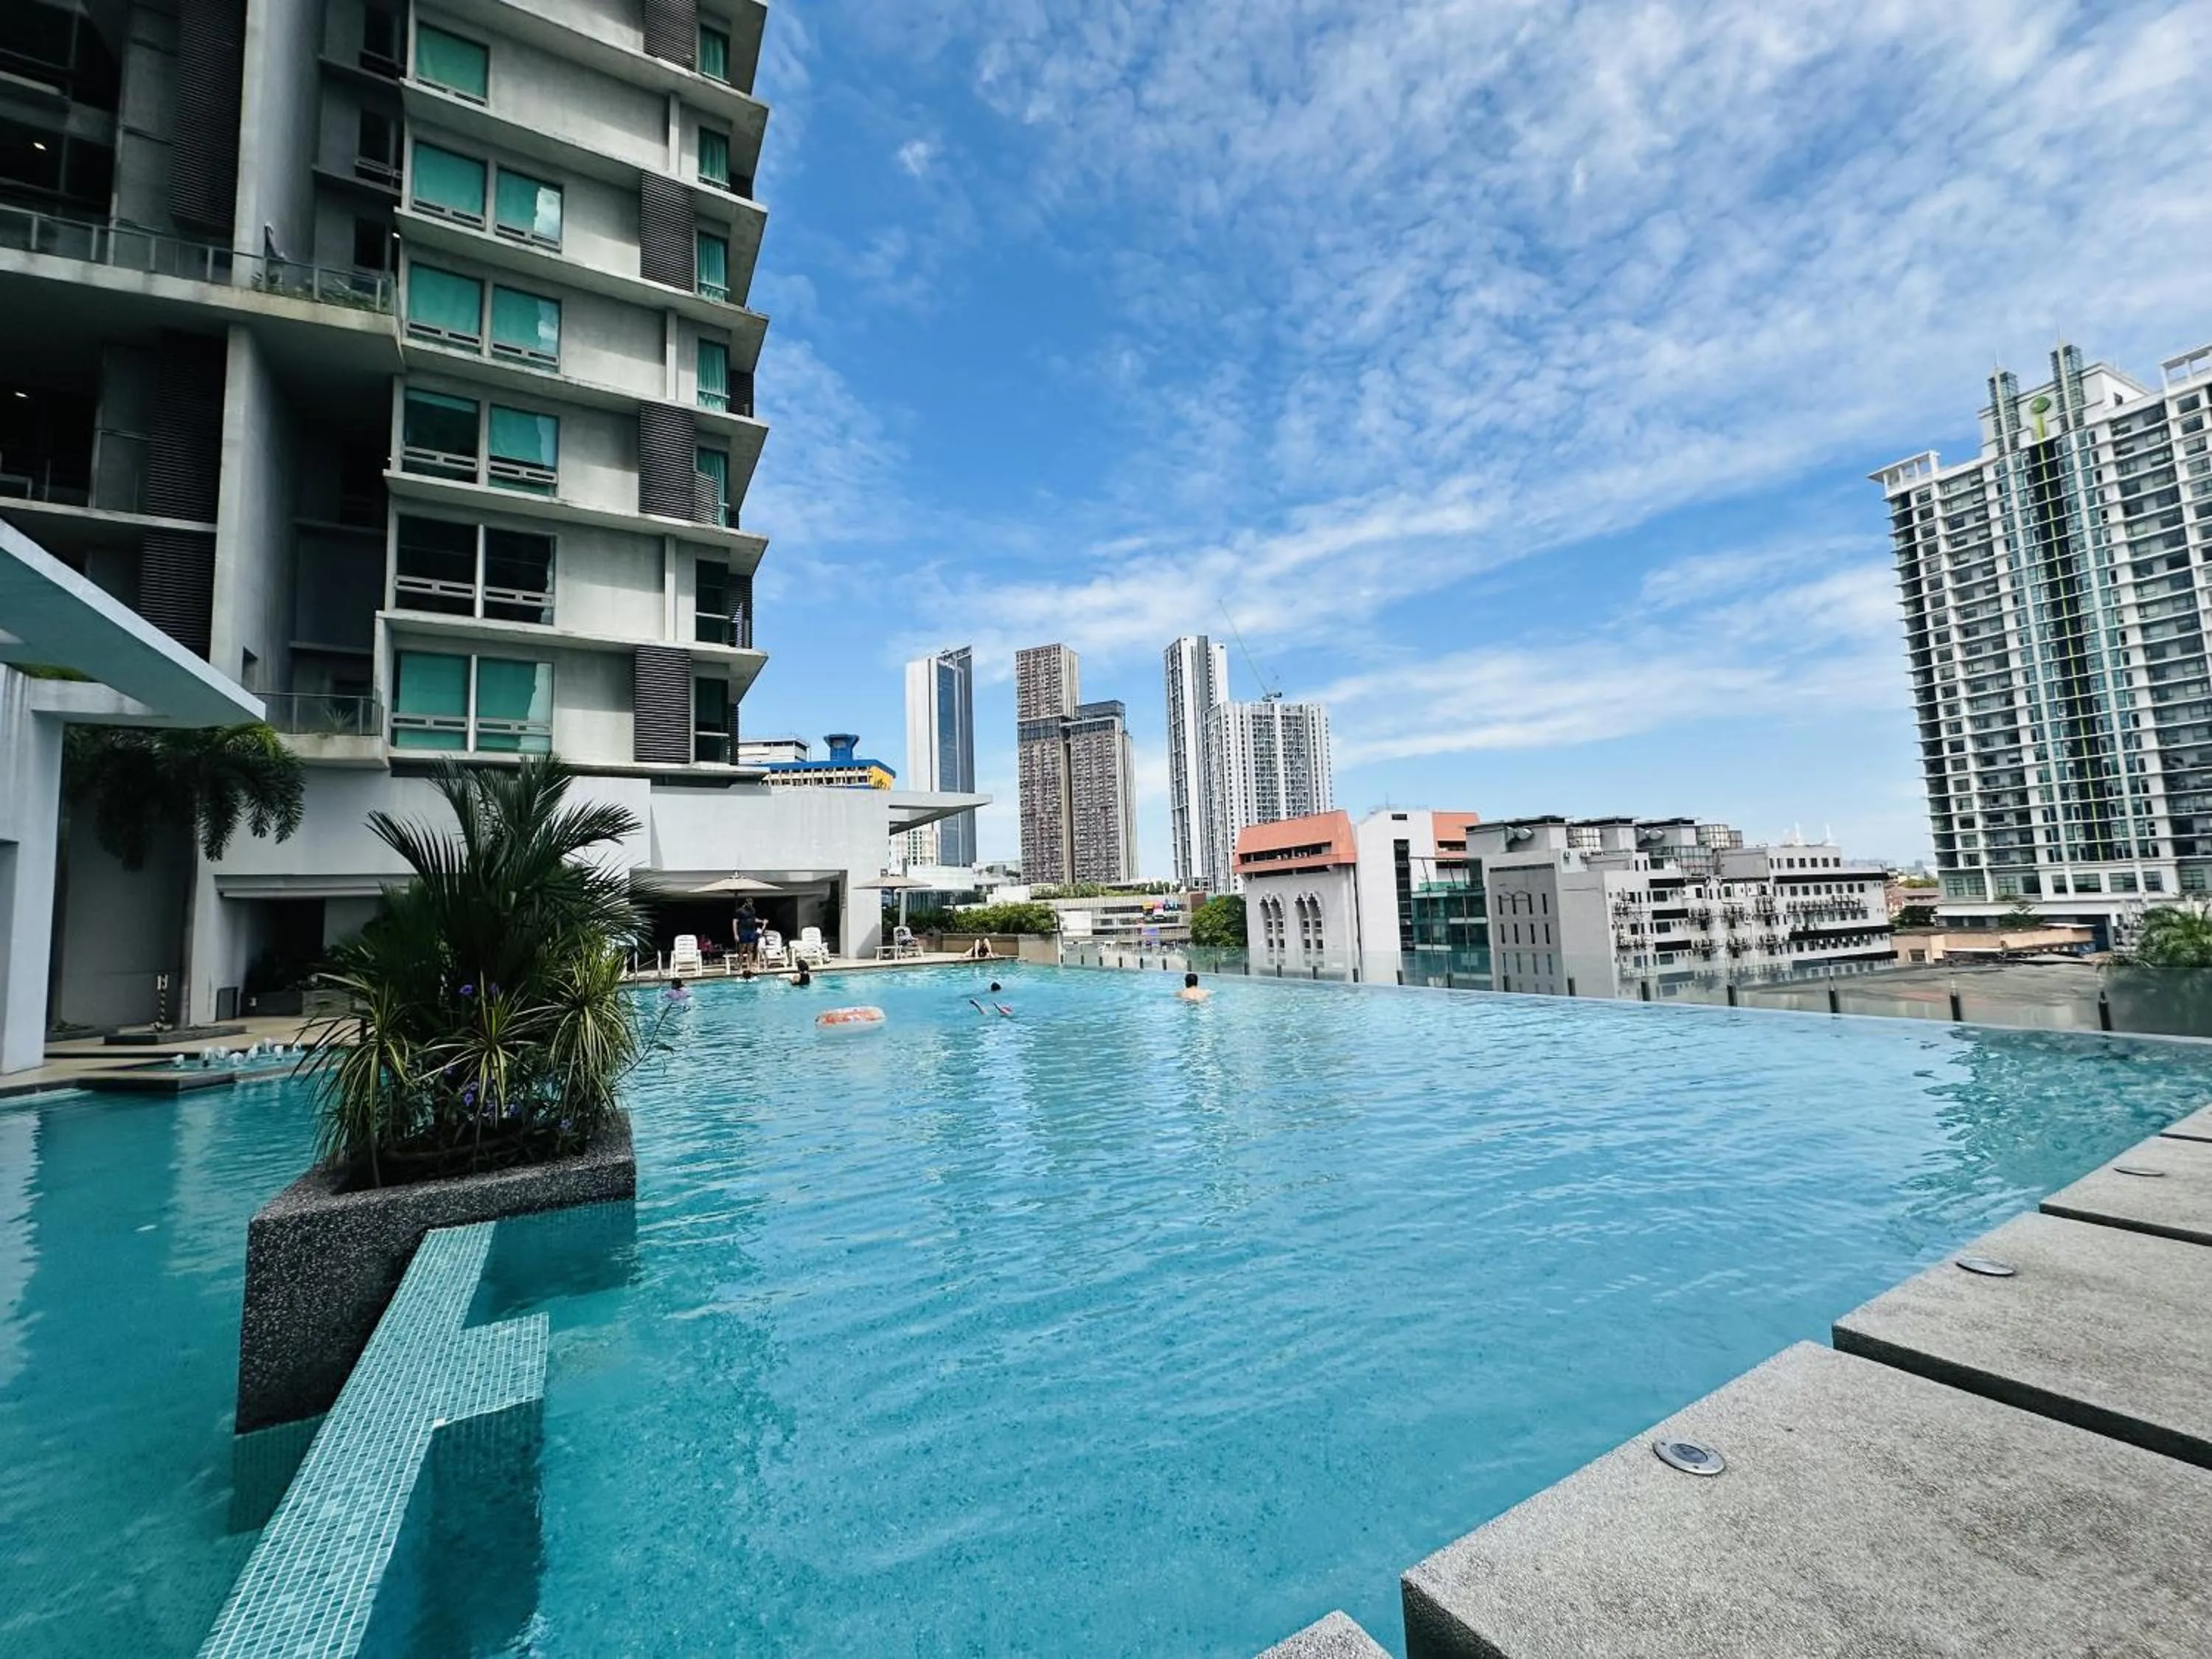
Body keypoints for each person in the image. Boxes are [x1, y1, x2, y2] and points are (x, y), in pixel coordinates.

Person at [734, 901, 760, 967]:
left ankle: (750, 967)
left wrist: (762, 921)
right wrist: (736, 934)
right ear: (745, 903)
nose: (751, 905)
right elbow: (734, 922)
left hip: (751, 932)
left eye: (751, 904)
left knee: (750, 950)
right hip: (743, 932)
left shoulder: (752, 910)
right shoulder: (740, 911)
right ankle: (740, 967)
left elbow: (754, 919)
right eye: (749, 904)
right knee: (742, 950)